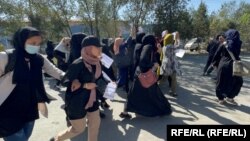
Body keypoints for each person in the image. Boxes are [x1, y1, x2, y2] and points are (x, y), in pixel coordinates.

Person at [0, 27, 65, 140]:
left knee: (25, 137)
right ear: (21, 40)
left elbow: (54, 71)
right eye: (33, 43)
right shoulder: (6, 57)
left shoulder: (38, 59)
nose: (36, 46)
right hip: (8, 111)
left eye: (38, 43)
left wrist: (71, 78)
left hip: (30, 108)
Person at [51, 36, 102, 141]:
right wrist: (81, 84)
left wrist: (111, 81)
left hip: (92, 98)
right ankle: (57, 138)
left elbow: (98, 76)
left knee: (95, 124)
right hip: (77, 100)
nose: (99, 49)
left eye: (99, 47)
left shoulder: (97, 62)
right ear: (87, 49)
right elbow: (64, 81)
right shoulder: (77, 64)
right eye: (96, 47)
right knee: (79, 129)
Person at [120, 34, 172, 118]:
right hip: (145, 75)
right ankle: (162, 109)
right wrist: (154, 64)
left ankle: (125, 112)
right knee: (154, 94)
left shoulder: (140, 46)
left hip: (139, 75)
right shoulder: (148, 47)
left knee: (134, 94)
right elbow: (143, 61)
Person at [212, 29, 243, 105]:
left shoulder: (225, 43)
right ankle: (228, 97)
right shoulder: (237, 43)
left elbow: (216, 55)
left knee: (221, 82)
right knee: (237, 81)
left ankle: (222, 98)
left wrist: (214, 64)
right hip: (235, 65)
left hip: (225, 65)